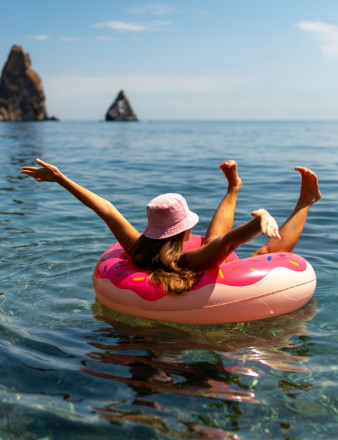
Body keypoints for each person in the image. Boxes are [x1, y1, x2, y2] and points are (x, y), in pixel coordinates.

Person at [20, 159, 321, 294]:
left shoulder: (137, 246)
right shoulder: (192, 259)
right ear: (186, 231)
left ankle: (233, 189)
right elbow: (228, 242)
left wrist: (61, 179)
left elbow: (106, 209)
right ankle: (306, 200)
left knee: (217, 239)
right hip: (214, 277)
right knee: (266, 250)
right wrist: (260, 219)